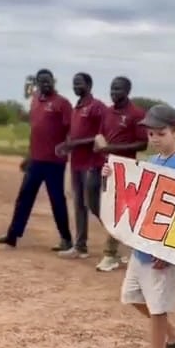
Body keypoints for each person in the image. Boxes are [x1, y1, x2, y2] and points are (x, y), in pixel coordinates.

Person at [105, 104, 175, 348]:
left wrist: (169, 251)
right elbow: (138, 189)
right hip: (143, 245)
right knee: (133, 295)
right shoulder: (155, 161)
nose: (155, 138)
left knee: (157, 306)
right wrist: (114, 175)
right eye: (152, 133)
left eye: (161, 133)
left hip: (161, 248)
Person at [0, 69, 73, 249]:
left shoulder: (62, 103)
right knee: (24, 198)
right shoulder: (35, 100)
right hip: (35, 160)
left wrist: (65, 147)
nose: (45, 84)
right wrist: (28, 156)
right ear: (37, 84)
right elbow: (34, 132)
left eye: (48, 81)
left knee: (57, 200)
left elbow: (71, 131)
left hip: (54, 162)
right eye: (41, 81)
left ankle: (66, 239)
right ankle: (13, 235)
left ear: (54, 81)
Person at [93, 76, 148, 272]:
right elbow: (100, 135)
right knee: (104, 206)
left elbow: (143, 143)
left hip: (127, 169)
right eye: (112, 89)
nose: (114, 93)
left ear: (127, 90)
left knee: (120, 209)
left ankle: (110, 254)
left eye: (118, 89)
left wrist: (114, 148)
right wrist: (100, 147)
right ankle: (124, 248)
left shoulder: (136, 113)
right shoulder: (107, 112)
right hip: (107, 167)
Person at [53, 72, 106, 259]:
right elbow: (74, 134)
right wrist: (67, 145)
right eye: (74, 84)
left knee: (93, 205)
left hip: (92, 163)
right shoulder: (77, 107)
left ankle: (118, 239)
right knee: (78, 205)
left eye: (80, 84)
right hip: (76, 163)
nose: (76, 87)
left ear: (89, 85)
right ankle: (80, 246)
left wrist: (75, 144)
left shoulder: (97, 107)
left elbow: (102, 135)